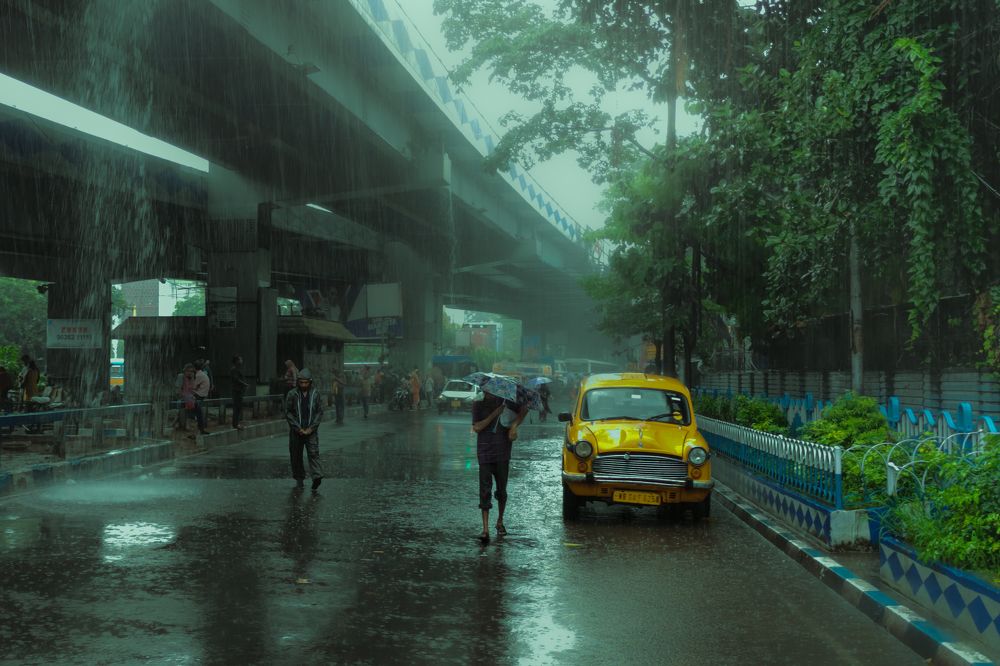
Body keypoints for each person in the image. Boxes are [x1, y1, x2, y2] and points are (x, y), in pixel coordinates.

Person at [471, 392, 528, 543]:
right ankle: (485, 529)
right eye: (485, 390)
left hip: (503, 453)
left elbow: (524, 409)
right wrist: (494, 414)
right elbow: (477, 427)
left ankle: (500, 521)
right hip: (484, 452)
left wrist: (514, 426)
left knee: (502, 490)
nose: (487, 393)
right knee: (485, 490)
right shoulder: (478, 403)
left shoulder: (507, 401)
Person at [285, 368, 324, 490]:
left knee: (313, 453)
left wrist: (311, 428)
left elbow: (319, 412)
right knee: (296, 455)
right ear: (298, 382)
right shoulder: (292, 394)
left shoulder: (315, 394)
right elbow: (288, 412)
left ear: (310, 382)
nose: (303, 385)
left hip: (311, 430)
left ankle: (317, 477)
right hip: (297, 431)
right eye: (301, 382)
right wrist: (297, 428)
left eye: (306, 382)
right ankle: (299, 479)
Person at [191, 360, 211, 434]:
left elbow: (193, 387)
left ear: (194, 368)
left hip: (200, 395)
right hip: (202, 394)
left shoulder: (198, 375)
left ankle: (197, 428)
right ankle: (200, 428)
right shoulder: (202, 374)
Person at [231, 354, 249, 430]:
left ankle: (236, 423)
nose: (242, 361)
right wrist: (244, 384)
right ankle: (235, 424)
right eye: (240, 359)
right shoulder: (234, 369)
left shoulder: (237, 369)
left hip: (239, 391)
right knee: (237, 407)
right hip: (237, 391)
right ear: (237, 361)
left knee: (238, 408)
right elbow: (236, 379)